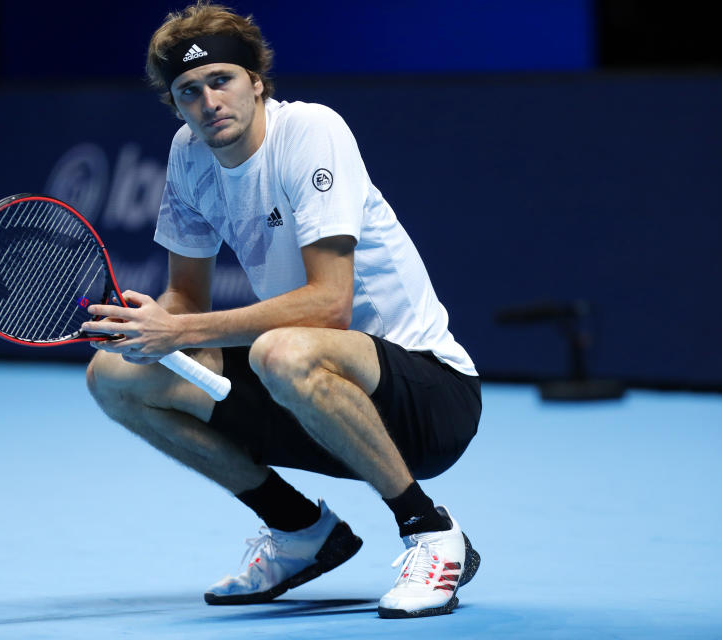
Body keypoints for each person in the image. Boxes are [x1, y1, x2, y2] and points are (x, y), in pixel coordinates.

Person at [83, 1, 482, 619]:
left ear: (256, 82)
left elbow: (329, 304)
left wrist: (181, 329)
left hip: (427, 399)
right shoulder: (189, 155)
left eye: (222, 80)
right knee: (114, 378)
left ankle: (430, 530)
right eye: (189, 91)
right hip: (312, 399)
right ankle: (301, 531)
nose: (208, 101)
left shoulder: (311, 131)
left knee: (282, 347)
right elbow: (185, 297)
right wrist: (148, 329)